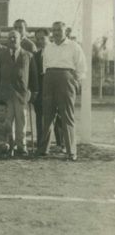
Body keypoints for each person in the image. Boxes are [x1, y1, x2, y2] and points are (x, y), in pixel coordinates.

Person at [36, 21, 87, 162]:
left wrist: (75, 81)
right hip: (49, 78)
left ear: (65, 31)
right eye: (54, 30)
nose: (56, 32)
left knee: (67, 115)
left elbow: (81, 67)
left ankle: (71, 151)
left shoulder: (74, 46)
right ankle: (43, 149)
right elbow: (45, 66)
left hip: (66, 80)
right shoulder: (49, 47)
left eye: (59, 30)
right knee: (47, 115)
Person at [0, 29, 38, 156]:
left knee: (21, 121)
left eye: (15, 38)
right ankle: (8, 145)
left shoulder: (28, 55)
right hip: (5, 93)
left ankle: (21, 145)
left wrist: (34, 92)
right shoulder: (1, 55)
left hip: (21, 94)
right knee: (7, 121)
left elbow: (33, 76)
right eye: (10, 37)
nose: (12, 40)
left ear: (20, 40)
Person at [33, 28, 63, 150]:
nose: (41, 41)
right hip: (40, 92)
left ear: (48, 38)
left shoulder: (57, 52)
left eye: (43, 38)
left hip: (55, 90)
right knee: (40, 118)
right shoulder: (35, 55)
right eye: (38, 39)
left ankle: (61, 144)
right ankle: (42, 144)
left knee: (57, 118)